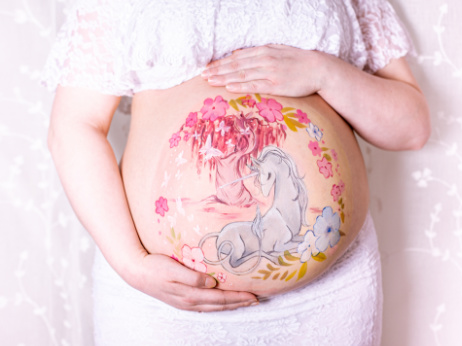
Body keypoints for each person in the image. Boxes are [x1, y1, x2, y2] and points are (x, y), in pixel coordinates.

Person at [42, 0, 430, 344]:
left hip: (328, 300)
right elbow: (74, 127)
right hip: (164, 305)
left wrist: (325, 74)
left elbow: (411, 127)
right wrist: (131, 264)